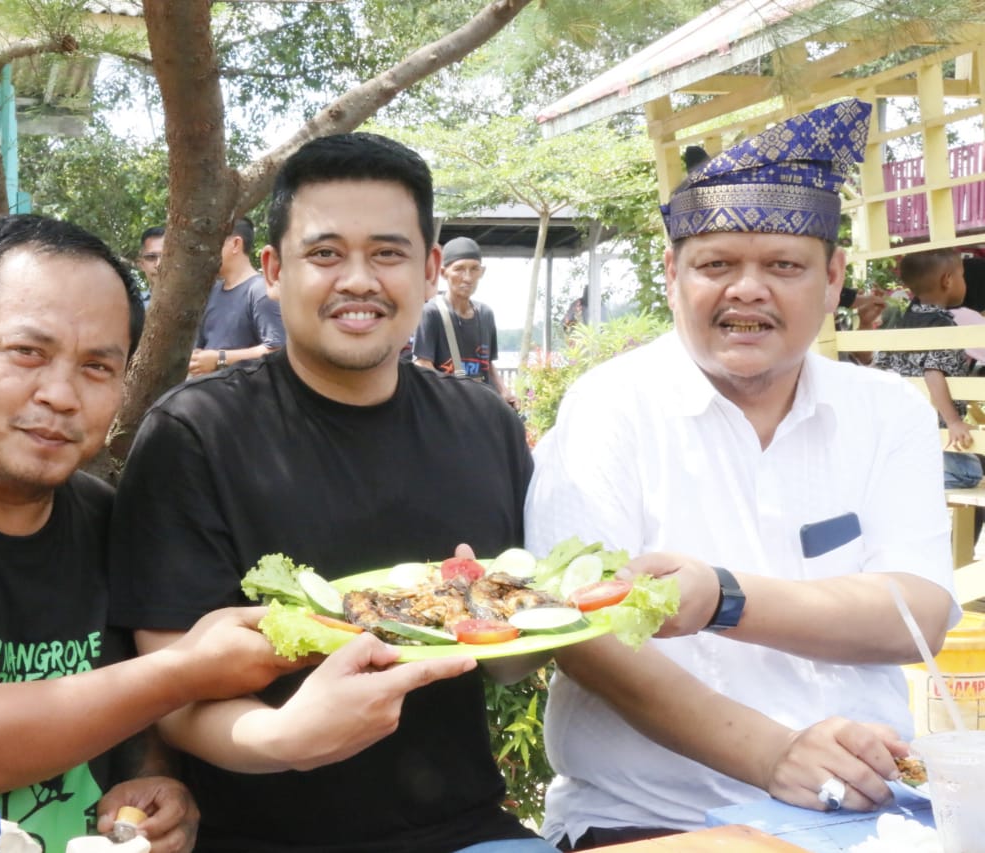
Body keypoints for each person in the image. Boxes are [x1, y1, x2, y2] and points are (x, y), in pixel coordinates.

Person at [0, 214, 454, 852]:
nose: (61, 394)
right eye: (27, 352)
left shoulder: (106, 517)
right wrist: (188, 668)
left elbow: (127, 710)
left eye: (99, 366)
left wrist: (154, 780)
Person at [525, 99, 958, 848]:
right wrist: (772, 754)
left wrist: (724, 596)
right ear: (673, 274)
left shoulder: (889, 412)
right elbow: (582, 633)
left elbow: (917, 614)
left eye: (783, 266)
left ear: (833, 278)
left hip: (868, 812)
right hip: (651, 819)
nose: (748, 290)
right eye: (716, 265)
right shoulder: (611, 407)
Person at [110, 132, 551, 853]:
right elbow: (169, 690)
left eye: (388, 253)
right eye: (325, 253)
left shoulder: (486, 425)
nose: (358, 280)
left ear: (430, 269)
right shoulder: (195, 433)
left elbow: (511, 662)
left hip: (465, 830)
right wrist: (284, 738)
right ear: (274, 271)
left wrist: (503, 611)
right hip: (258, 841)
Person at [872, 248, 980, 487]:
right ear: (948, 280)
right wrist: (953, 421)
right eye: (962, 276)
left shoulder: (903, 322)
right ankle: (914, 481)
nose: (964, 282)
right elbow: (932, 372)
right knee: (970, 474)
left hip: (905, 425)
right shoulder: (941, 326)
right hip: (933, 428)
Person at [414, 236, 518, 407]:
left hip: (482, 407)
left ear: (482, 272)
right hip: (447, 408)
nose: (468, 278)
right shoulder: (431, 313)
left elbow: (488, 364)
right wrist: (454, 398)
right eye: (459, 269)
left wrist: (504, 391)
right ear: (443, 273)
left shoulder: (485, 314)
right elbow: (423, 364)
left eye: (474, 269)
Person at [188, 217, 285, 375]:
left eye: (212, 243)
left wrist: (219, 359)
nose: (205, 251)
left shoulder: (260, 291)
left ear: (236, 244)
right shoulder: (212, 292)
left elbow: (277, 349)